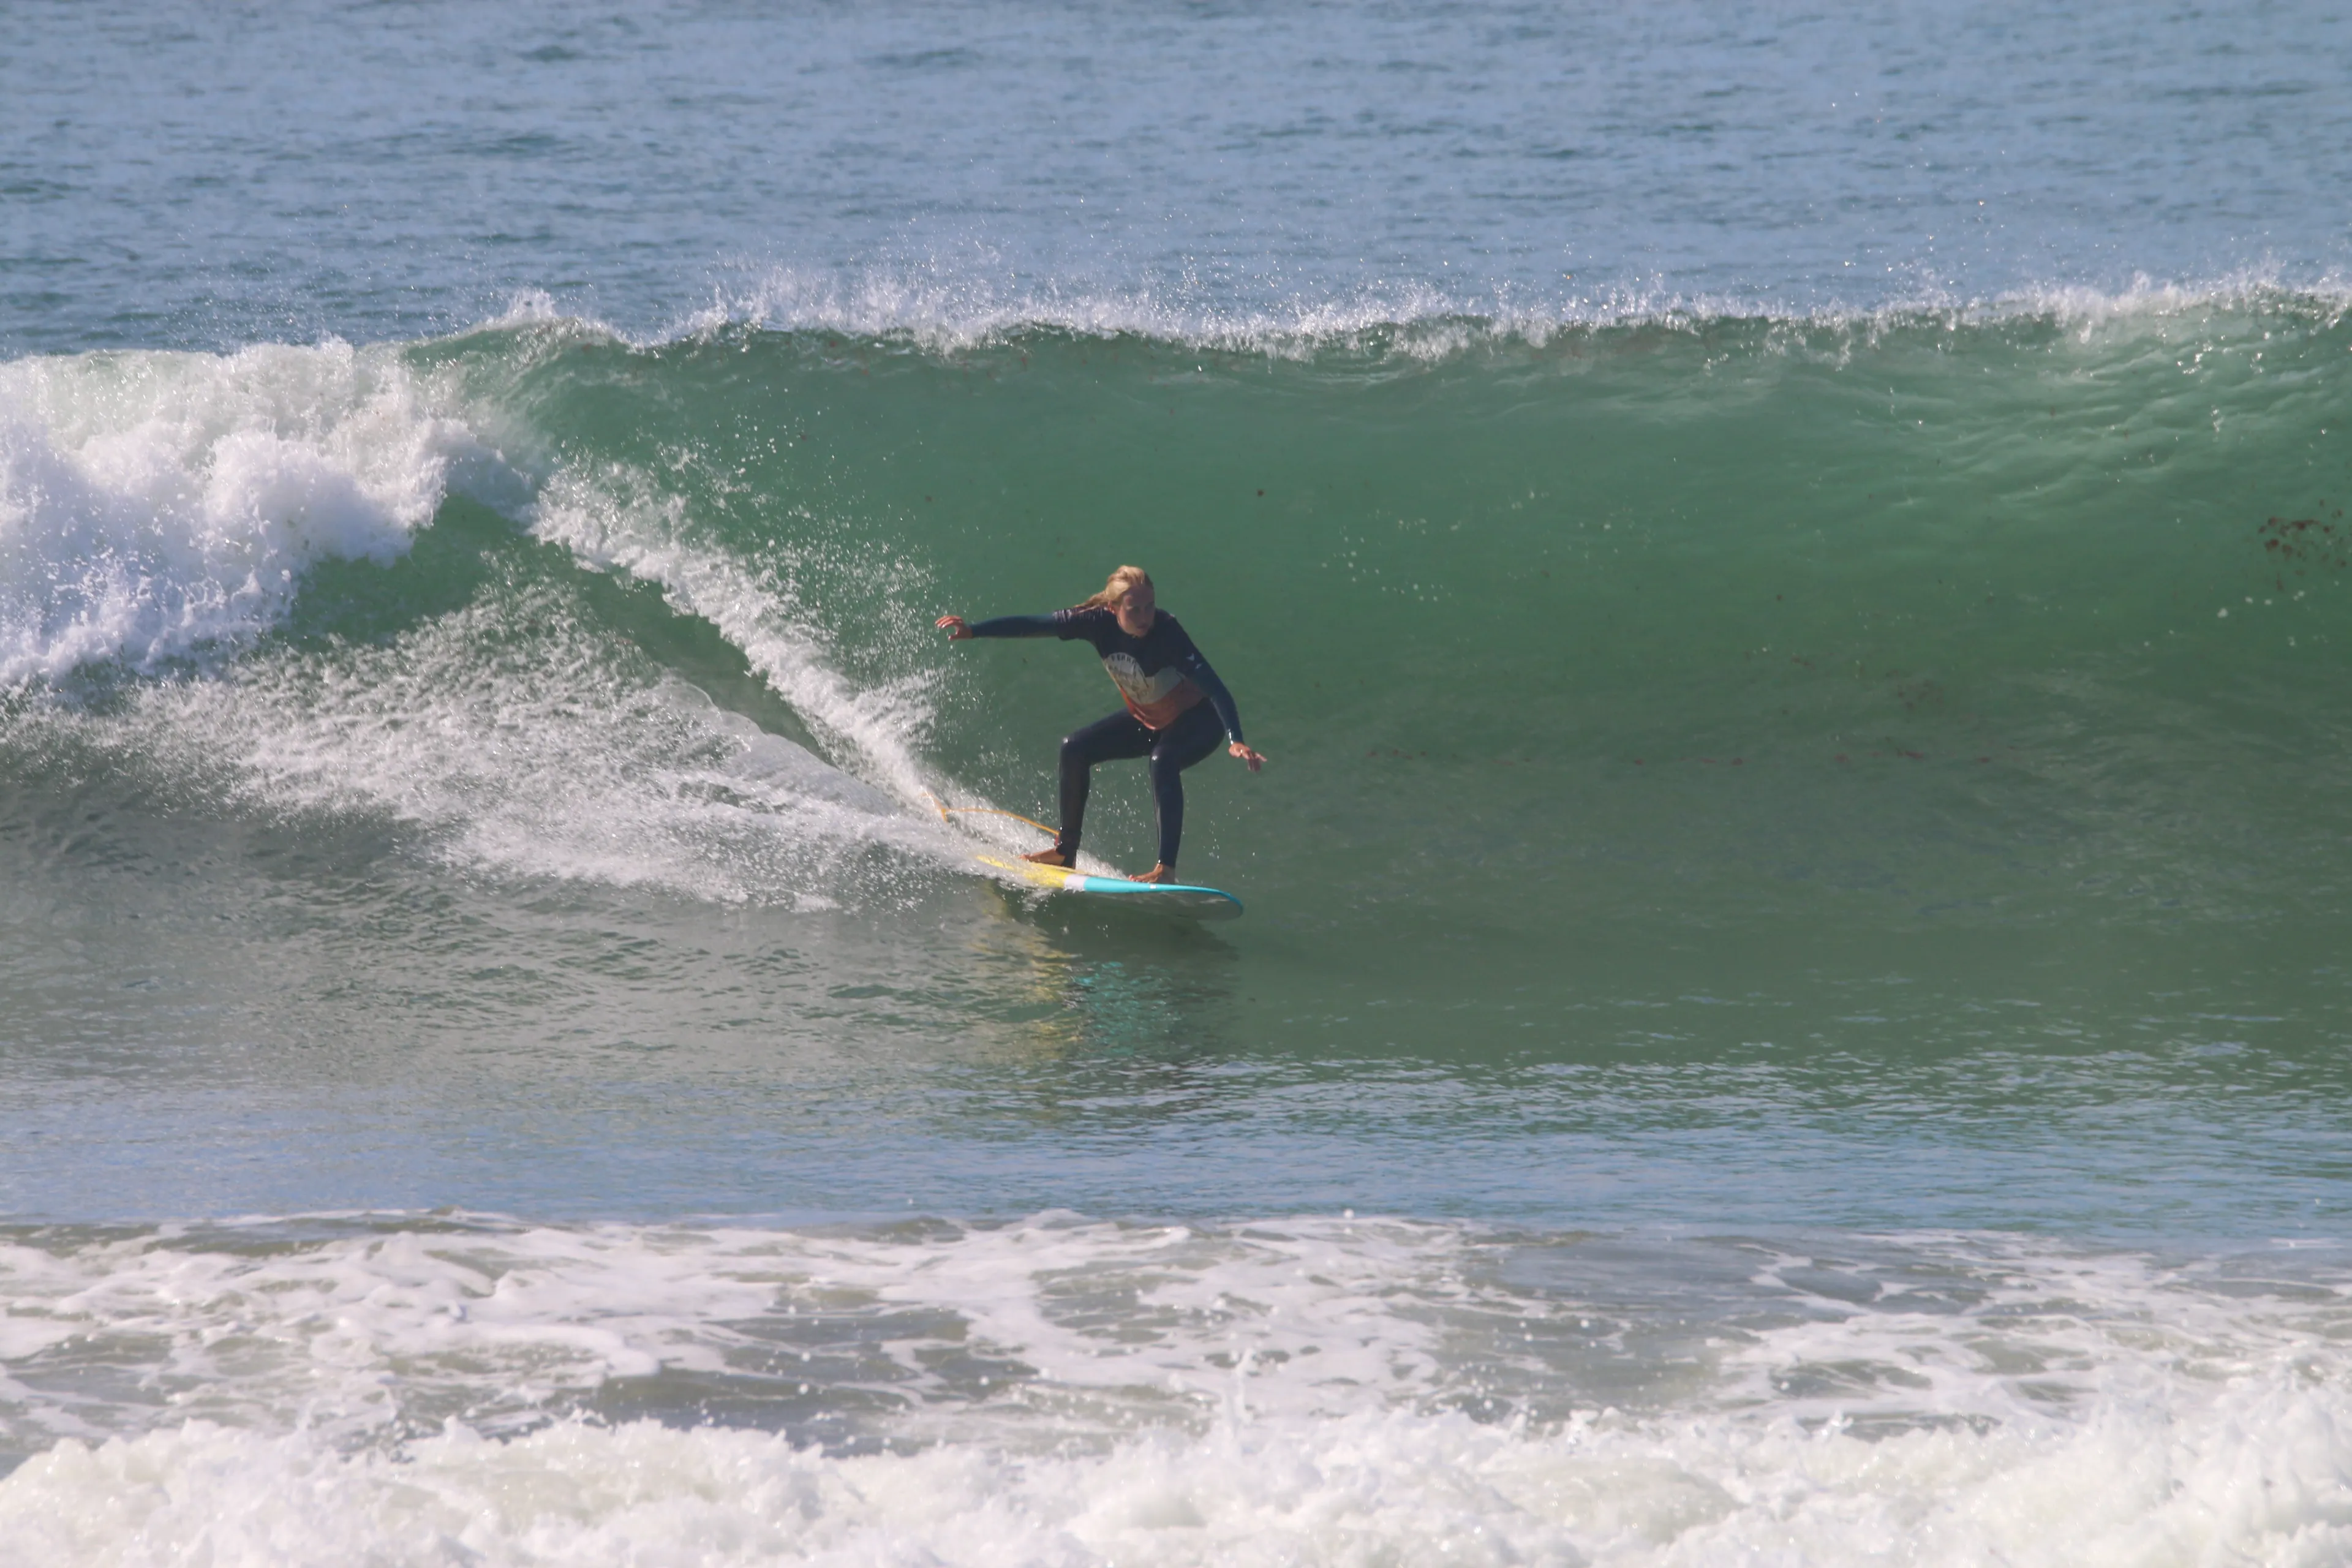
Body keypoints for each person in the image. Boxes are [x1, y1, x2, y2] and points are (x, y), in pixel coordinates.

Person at [938, 565, 1265, 884]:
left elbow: (1216, 688)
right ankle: (1065, 853)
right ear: (1113, 608)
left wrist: (1236, 738)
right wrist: (975, 630)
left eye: (1150, 606)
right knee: (1075, 748)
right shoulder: (1095, 622)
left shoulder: (1168, 634)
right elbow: (1037, 624)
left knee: (1163, 761)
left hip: (1198, 723)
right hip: (1148, 720)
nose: (1145, 616)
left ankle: (1166, 869)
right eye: (1134, 609)